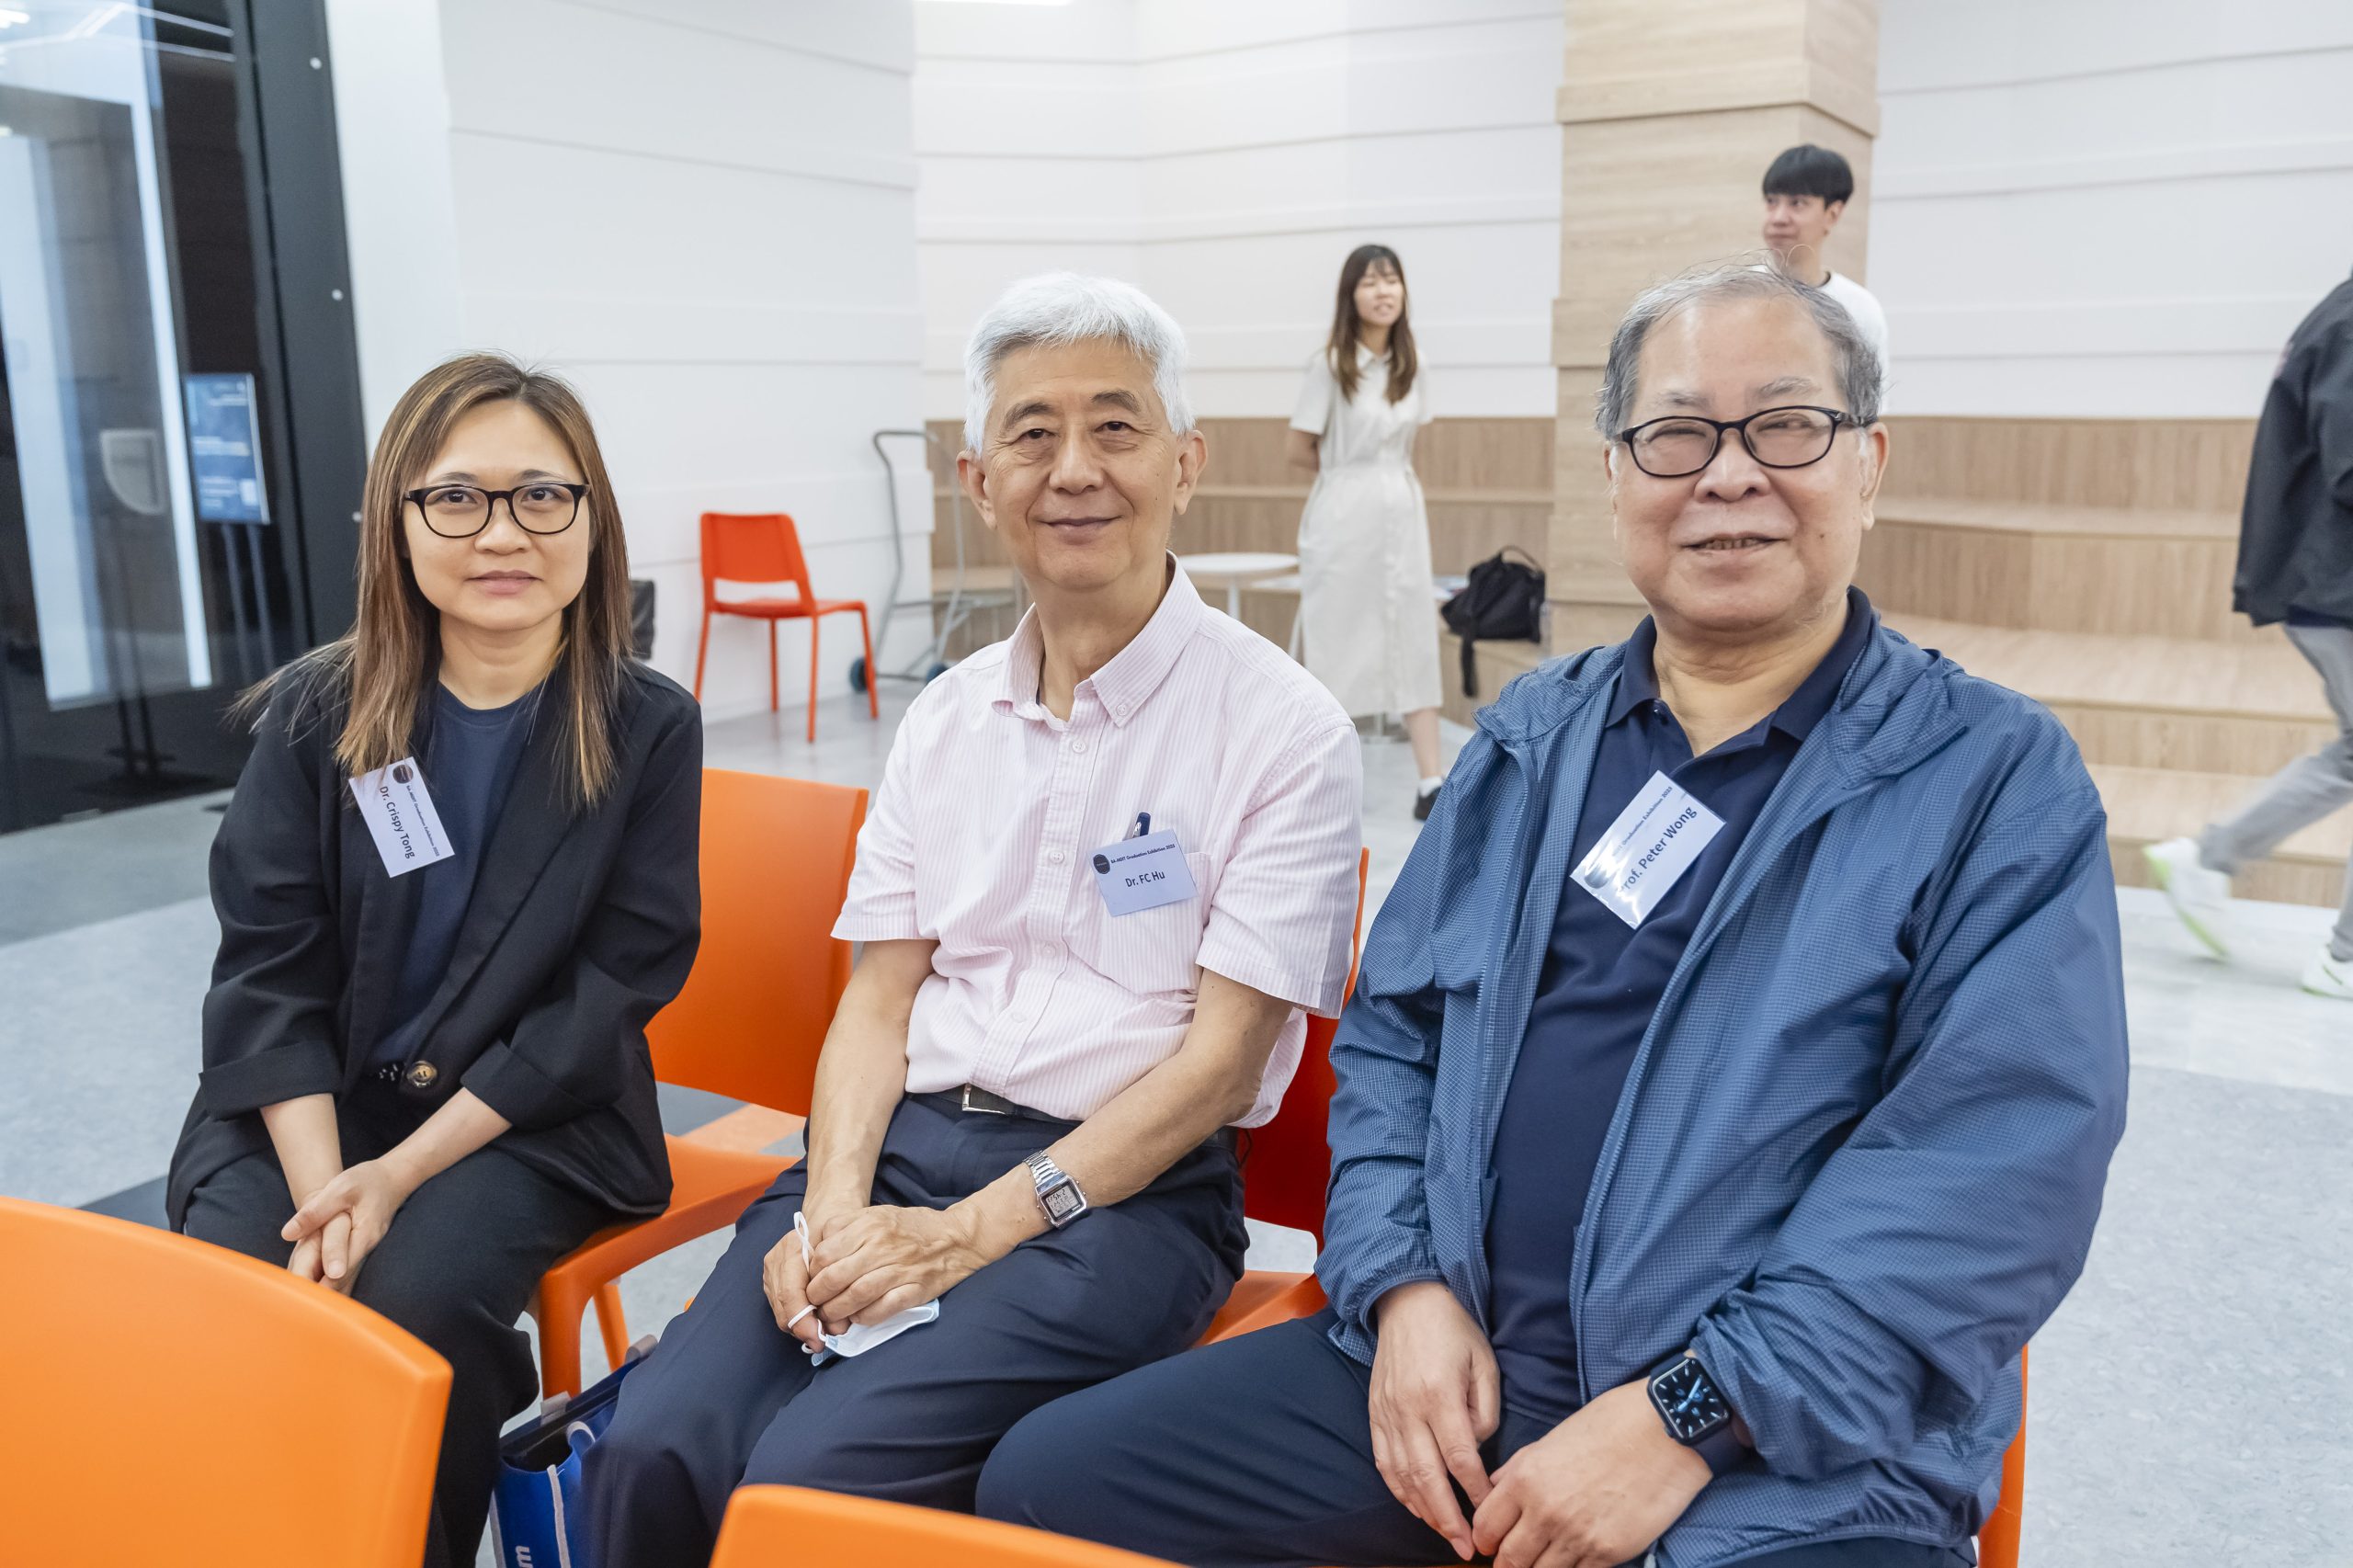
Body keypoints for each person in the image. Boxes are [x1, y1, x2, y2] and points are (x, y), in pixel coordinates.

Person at [979, 261, 2130, 1568]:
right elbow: (1396, 1040)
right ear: (1617, 477)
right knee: (1047, 1489)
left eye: (1785, 426)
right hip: (1463, 1381)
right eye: (1677, 433)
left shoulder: (1989, 778)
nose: (1729, 475)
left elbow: (1989, 1172)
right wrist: (1405, 1289)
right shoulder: (1536, 735)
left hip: (1784, 1447)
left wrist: (1690, 1411)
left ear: (1867, 462)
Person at [583, 273, 1365, 1565]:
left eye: (1115, 427)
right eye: (1032, 433)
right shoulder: (945, 718)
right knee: (654, 1443)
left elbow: (1222, 1066)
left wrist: (966, 1234)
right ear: (979, 480)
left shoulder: (1285, 730)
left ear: (1185, 461)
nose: (1075, 470)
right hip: (895, 1154)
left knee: (815, 1476)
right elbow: (877, 999)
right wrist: (834, 1207)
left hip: (1120, 1198)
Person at [167, 353, 703, 1568]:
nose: (502, 532)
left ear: (591, 516)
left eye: (541, 495)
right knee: (251, 1284)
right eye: (456, 497)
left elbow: (605, 995)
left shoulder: (645, 725)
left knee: (414, 1306)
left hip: (526, 1116)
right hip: (310, 1100)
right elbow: (268, 967)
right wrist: (330, 1191)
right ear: (396, 522)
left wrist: (397, 1175)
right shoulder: (319, 711)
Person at [2147, 264, 2353, 1000]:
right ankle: (2343, 958)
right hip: (2335, 581)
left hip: (2329, 580)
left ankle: (2211, 857)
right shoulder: (2350, 324)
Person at [1289, 243, 1448, 819]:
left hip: (1401, 511)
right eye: (1371, 282)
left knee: (1412, 635)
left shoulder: (1414, 364)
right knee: (1338, 639)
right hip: (1343, 514)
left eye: (1392, 280)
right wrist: (1349, 479)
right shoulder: (1330, 365)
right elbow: (1298, 449)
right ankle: (1321, 784)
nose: (1384, 292)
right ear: (1350, 295)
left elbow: (1410, 444)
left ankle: (1431, 781)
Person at [1762, 143, 1888, 374]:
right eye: (1771, 201)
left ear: (1832, 214)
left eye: (1797, 203)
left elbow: (1873, 395)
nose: (1778, 218)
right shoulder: (1737, 294)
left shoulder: (1860, 309)